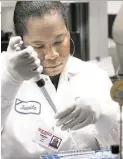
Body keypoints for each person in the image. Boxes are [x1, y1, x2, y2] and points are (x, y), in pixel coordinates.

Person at [1, 1, 120, 159]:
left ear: (68, 33)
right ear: (21, 42)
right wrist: (10, 80)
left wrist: (104, 116)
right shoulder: (5, 72)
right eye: (38, 45)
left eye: (58, 41)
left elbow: (116, 148)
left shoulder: (94, 76)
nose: (52, 55)